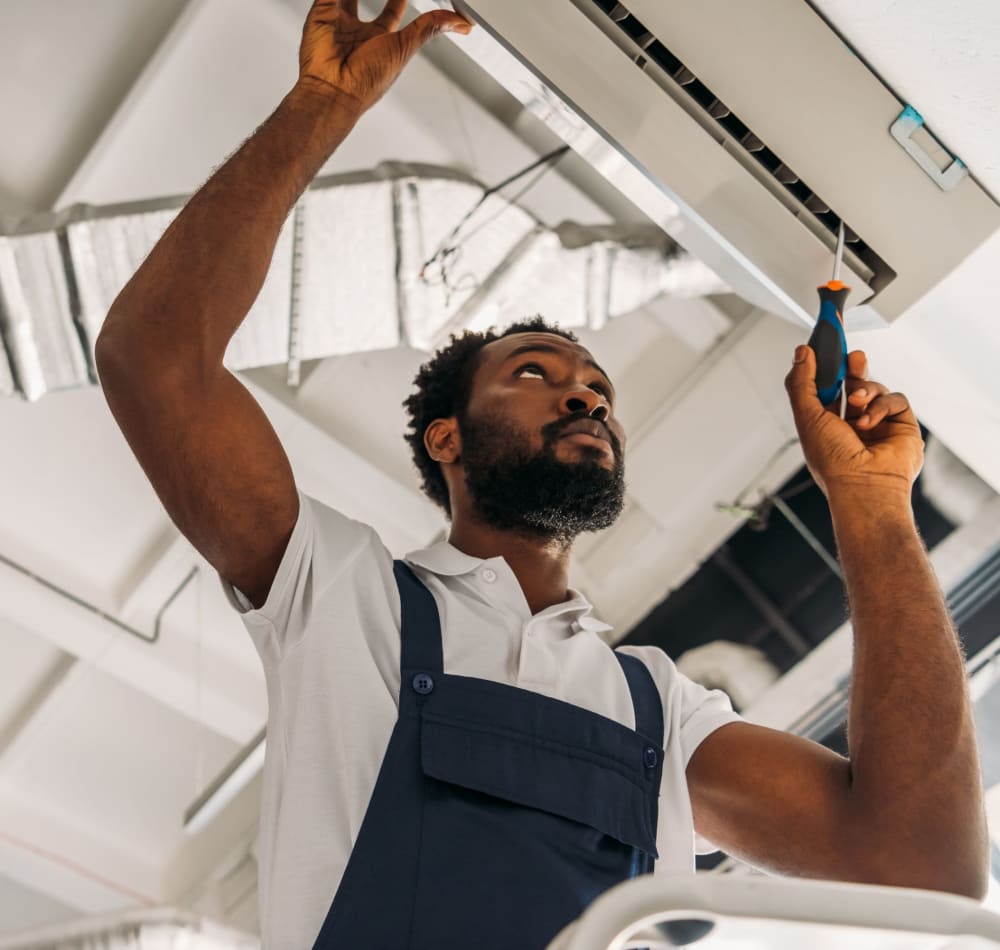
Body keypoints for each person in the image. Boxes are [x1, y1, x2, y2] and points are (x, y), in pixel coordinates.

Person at [94, 0, 988, 946]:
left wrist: (873, 502)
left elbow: (922, 865)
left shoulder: (659, 709)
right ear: (447, 439)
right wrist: (323, 103)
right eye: (536, 374)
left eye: (598, 388)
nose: (586, 397)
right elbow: (157, 359)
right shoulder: (340, 595)